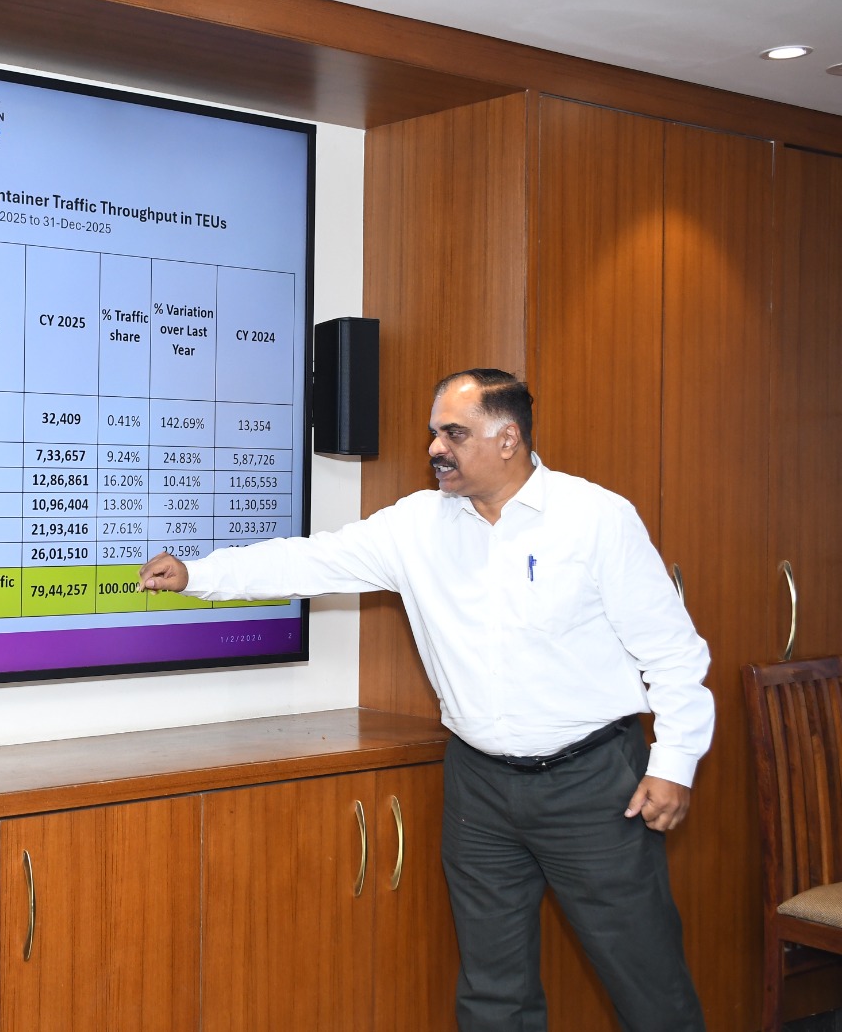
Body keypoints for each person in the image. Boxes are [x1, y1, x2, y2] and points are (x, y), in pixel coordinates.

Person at [139, 368, 712, 1032]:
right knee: (493, 990)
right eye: (434, 433)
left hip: (593, 785)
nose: (435, 448)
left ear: (508, 439)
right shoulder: (416, 525)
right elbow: (310, 560)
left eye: (454, 433)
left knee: (647, 981)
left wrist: (675, 762)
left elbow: (673, 652)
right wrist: (198, 574)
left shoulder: (595, 518)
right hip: (480, 789)